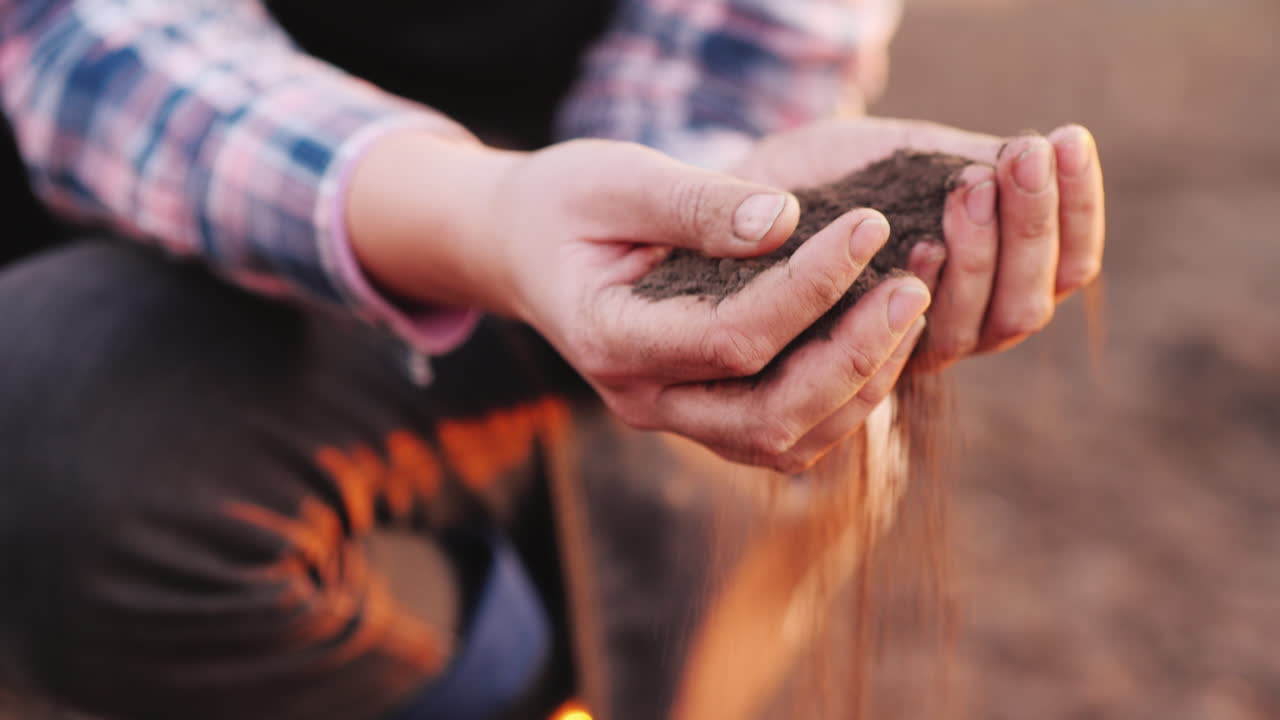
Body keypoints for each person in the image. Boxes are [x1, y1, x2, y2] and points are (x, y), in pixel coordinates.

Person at [0, 1, 1104, 719]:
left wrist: (715, 206)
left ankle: (515, 666)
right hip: (179, 229)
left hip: (557, 292)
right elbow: (91, 40)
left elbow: (715, 85)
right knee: (60, 426)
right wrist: (480, 212)